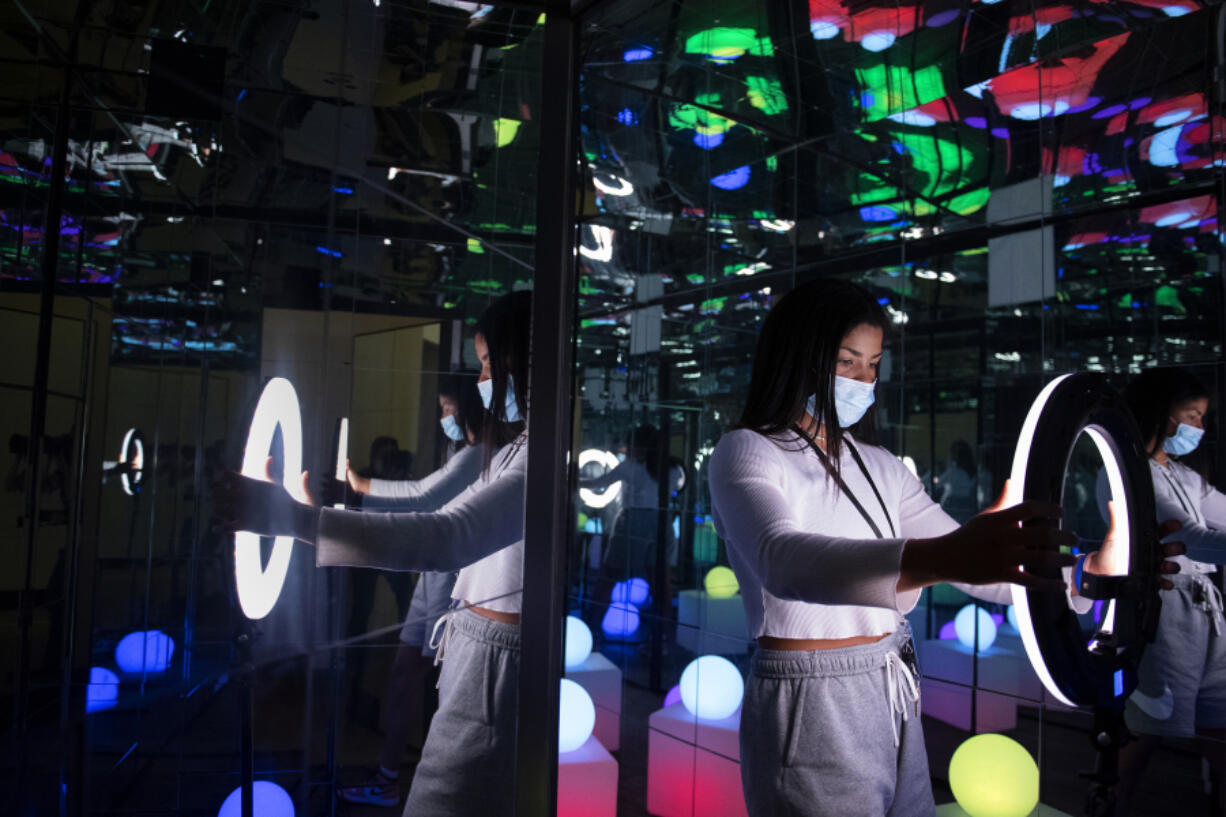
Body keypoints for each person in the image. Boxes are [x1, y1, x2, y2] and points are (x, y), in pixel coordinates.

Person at [706, 278, 1132, 817]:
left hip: (893, 681)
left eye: (873, 365)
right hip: (810, 698)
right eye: (846, 362)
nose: (864, 380)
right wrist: (950, 555)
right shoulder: (747, 450)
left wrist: (1084, 575)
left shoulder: (880, 464)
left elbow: (971, 564)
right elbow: (782, 560)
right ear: (798, 358)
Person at [215, 290, 531, 817]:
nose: (482, 383)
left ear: (525, 359)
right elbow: (435, 523)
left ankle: (386, 780)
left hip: (492, 667)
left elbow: (443, 533)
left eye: (487, 365)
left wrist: (296, 520)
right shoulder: (513, 452)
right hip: (477, 651)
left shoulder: (527, 459)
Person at [338, 372, 485, 808]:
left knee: (428, 683)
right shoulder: (459, 450)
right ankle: (389, 780)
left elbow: (422, 497)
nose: (444, 417)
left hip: (451, 581)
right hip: (433, 578)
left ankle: (432, 786)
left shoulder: (478, 455)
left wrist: (361, 488)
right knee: (406, 676)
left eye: (446, 408)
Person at [1107, 368, 1226, 816]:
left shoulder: (1183, 475)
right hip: (1165, 611)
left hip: (1205, 609)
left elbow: (1221, 513)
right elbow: (1189, 536)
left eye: (1202, 418)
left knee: (1217, 722)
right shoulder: (1130, 474)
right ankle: (1107, 805)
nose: (1199, 427)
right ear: (1162, 414)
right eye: (1192, 416)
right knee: (1150, 728)